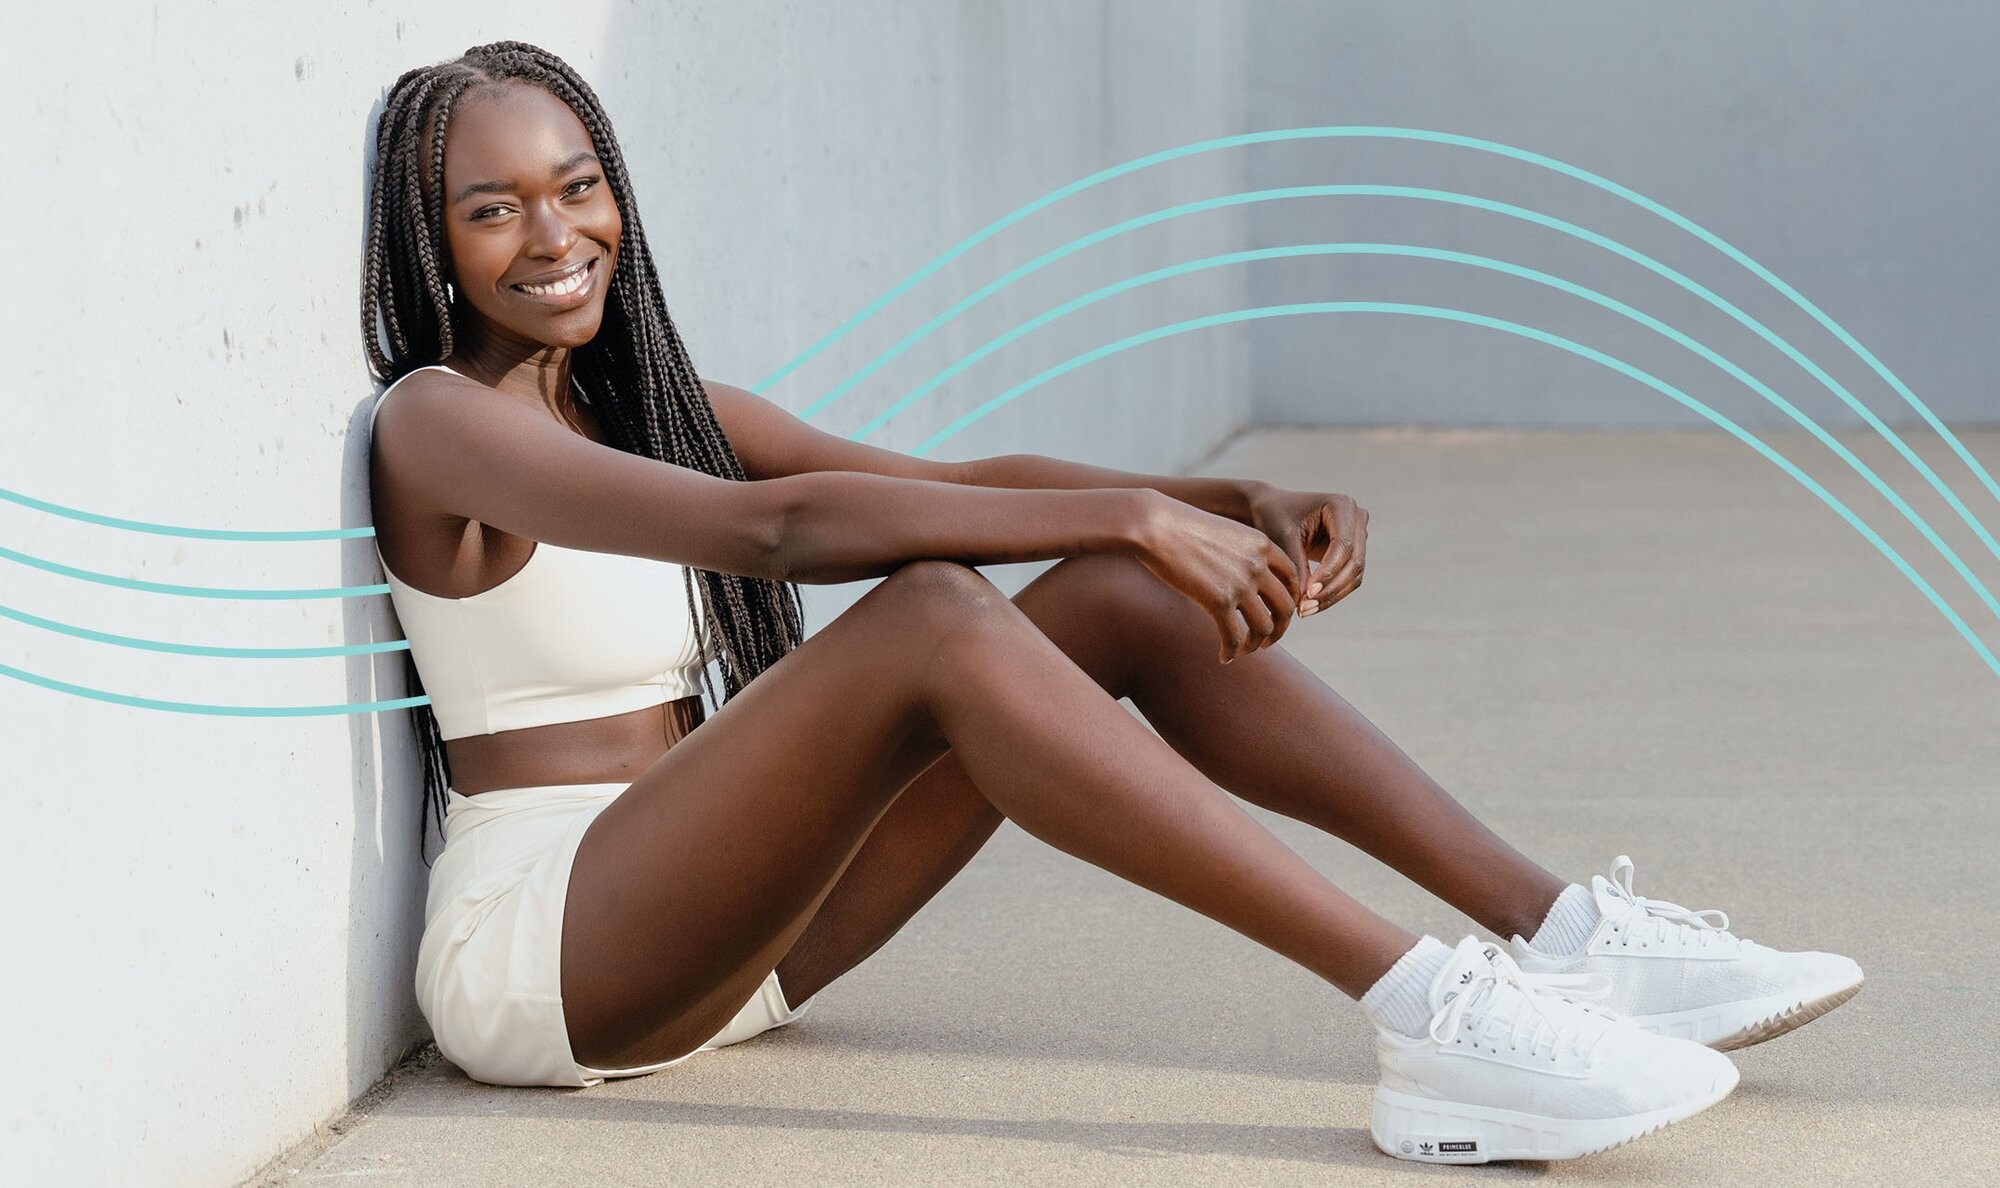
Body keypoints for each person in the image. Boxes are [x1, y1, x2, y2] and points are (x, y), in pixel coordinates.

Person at [360, 41, 1862, 1166]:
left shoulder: (661, 408)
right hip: (555, 954)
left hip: (732, 936)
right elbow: (785, 532)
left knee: (1122, 598)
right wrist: (1142, 508)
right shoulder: (438, 424)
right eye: (493, 209)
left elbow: (955, 476)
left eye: (577, 186)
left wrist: (1215, 508)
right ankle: (1432, 1018)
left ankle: (1570, 935)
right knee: (939, 613)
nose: (555, 236)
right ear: (435, 242)